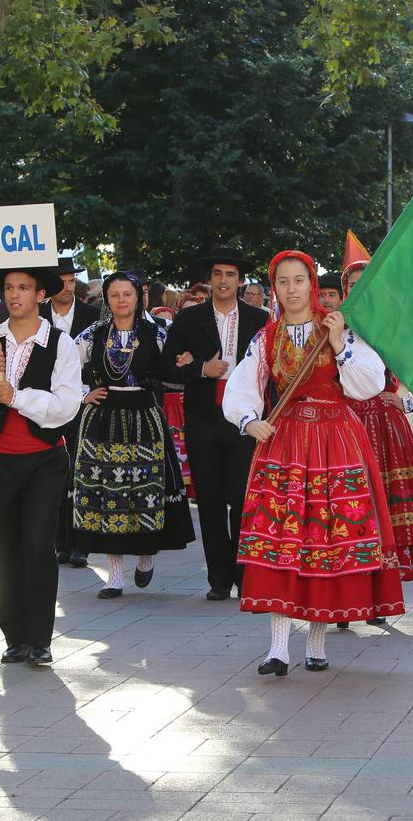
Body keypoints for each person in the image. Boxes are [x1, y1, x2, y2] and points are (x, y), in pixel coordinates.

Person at [224, 250, 403, 676]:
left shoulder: (337, 329)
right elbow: (245, 381)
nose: (291, 289)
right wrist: (250, 422)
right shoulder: (266, 337)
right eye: (283, 281)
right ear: (275, 288)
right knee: (282, 537)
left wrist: (340, 343)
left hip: (336, 440)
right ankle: (278, 649)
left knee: (326, 540)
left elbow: (369, 383)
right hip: (284, 441)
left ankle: (318, 642)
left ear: (311, 283)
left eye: (299, 280)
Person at [0, 266, 83, 665]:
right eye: (9, 288)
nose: (14, 295)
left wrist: (17, 396)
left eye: (24, 288)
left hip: (44, 459)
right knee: (5, 548)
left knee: (37, 544)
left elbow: (66, 407)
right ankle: (14, 637)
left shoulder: (62, 345)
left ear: (40, 295)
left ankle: (40, 637)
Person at [70, 272, 195, 598]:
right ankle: (114, 575)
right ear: (107, 299)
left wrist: (188, 360)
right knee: (108, 493)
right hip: (103, 420)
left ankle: (145, 555)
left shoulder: (158, 332)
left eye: (127, 294)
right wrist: (83, 393)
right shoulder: (92, 335)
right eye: (115, 295)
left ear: (138, 297)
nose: (121, 300)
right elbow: (64, 367)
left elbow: (178, 364)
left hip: (143, 418)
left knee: (144, 489)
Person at [160, 245, 271, 600]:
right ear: (209, 280)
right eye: (218, 274)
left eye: (231, 275)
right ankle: (218, 579)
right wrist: (200, 370)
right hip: (203, 417)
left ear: (240, 281)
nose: (224, 281)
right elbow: (164, 367)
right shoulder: (190, 319)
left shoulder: (259, 319)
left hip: (244, 420)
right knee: (208, 500)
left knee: (242, 497)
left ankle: (244, 574)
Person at [341, 262, 413, 583]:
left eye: (366, 284)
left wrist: (404, 401)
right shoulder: (337, 327)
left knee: (386, 505)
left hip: (385, 425)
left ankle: (384, 583)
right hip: (346, 423)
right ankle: (351, 580)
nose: (359, 291)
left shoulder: (396, 328)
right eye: (353, 285)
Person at [48, 257, 98, 567]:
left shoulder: (93, 315)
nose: (68, 287)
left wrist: (89, 392)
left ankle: (81, 543)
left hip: (83, 405)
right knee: (53, 476)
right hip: (45, 407)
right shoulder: (36, 316)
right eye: (62, 281)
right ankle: (59, 542)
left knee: (82, 475)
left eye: (71, 281)